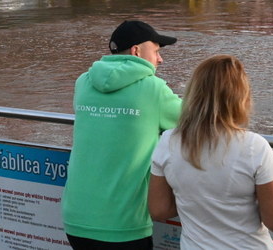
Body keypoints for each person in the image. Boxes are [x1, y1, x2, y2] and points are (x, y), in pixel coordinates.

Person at [62, 19, 183, 249]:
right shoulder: (153, 89)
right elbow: (198, 118)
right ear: (136, 51)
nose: (160, 59)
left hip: (76, 218)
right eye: (156, 51)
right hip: (123, 224)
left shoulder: (84, 82)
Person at [149, 55, 273, 249]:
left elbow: (159, 210)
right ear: (241, 97)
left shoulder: (169, 141)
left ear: (193, 93)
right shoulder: (254, 146)